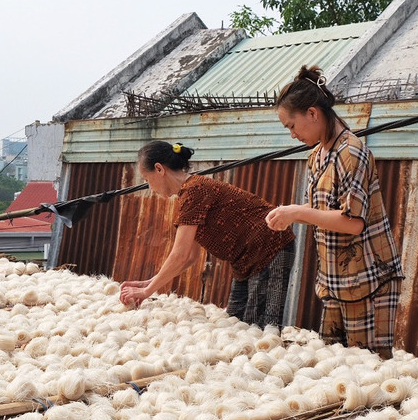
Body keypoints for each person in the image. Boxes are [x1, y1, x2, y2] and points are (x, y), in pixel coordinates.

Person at [265, 65, 404, 359]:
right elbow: (320, 210)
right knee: (334, 363)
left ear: (313, 113)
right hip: (335, 280)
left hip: (368, 279)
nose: (292, 135)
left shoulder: (352, 153)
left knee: (367, 369)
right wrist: (289, 213)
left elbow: (352, 223)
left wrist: (296, 213)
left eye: (292, 126)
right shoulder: (317, 155)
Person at [119, 140, 296, 329]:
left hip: (270, 248)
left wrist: (146, 291)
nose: (149, 187)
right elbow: (190, 257)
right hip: (246, 260)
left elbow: (180, 255)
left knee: (258, 330)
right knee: (235, 324)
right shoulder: (189, 195)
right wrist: (149, 282)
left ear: (159, 169)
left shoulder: (195, 191)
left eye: (147, 179)